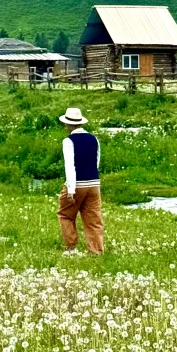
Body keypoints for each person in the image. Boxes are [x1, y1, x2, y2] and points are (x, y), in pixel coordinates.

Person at [57, 106, 104, 255]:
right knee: (93, 219)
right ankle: (96, 250)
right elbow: (96, 162)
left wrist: (70, 189)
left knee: (65, 214)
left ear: (69, 124)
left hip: (77, 184)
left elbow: (70, 166)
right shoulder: (94, 139)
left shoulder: (68, 141)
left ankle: (71, 247)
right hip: (94, 183)